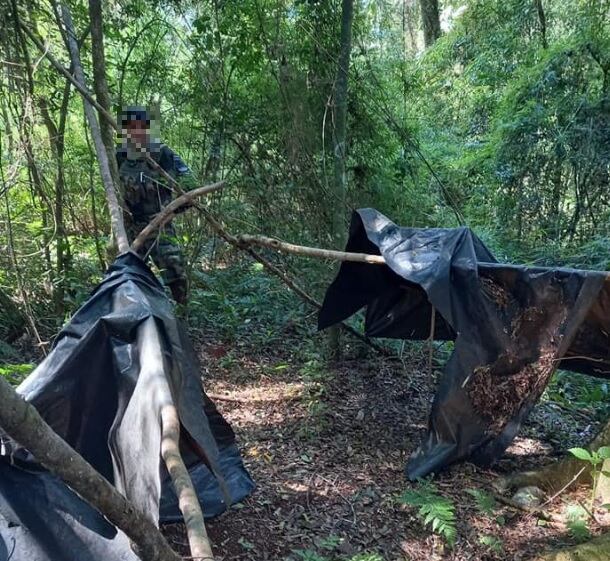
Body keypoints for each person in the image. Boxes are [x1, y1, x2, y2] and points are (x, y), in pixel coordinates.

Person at [116, 106, 196, 305]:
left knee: (176, 274)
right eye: (130, 127)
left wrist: (172, 211)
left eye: (140, 127)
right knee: (129, 276)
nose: (136, 132)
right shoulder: (120, 156)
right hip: (131, 229)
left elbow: (191, 188)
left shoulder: (162, 154)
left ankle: (181, 316)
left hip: (161, 225)